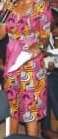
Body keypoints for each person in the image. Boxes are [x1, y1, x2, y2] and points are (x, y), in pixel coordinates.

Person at [0, 0, 52, 137]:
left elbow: (44, 35)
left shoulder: (41, 6)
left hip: (30, 64)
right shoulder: (10, 5)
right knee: (12, 108)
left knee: (30, 111)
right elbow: (0, 35)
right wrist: (5, 12)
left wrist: (39, 45)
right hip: (12, 62)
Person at [41, 7, 58, 139]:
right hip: (39, 70)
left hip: (49, 68)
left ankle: (46, 129)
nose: (54, 25)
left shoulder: (50, 34)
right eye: (54, 22)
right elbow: (37, 53)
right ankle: (46, 129)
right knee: (50, 82)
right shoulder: (39, 32)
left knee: (50, 83)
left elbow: (50, 54)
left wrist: (51, 60)